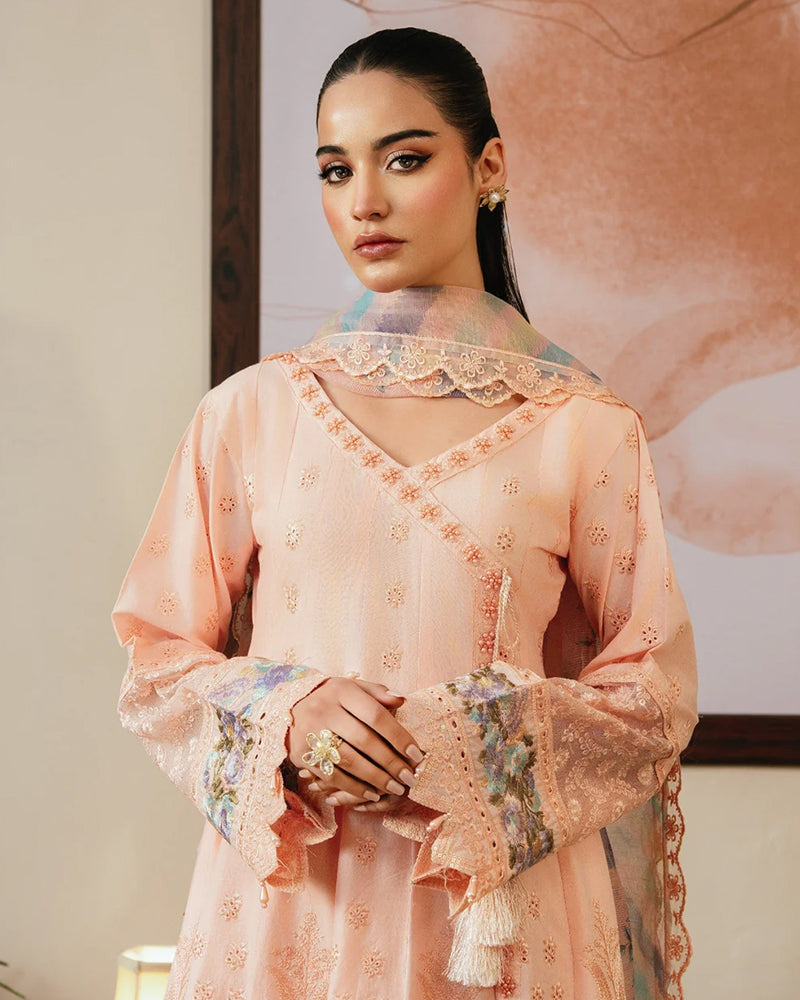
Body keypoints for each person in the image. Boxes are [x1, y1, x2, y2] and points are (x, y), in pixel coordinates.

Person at [112, 26, 698, 1000]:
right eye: (335, 170)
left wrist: (474, 744)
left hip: (501, 922)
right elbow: (155, 660)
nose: (365, 203)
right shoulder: (251, 413)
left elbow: (652, 691)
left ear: (488, 167)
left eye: (405, 159)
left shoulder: (585, 427)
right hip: (293, 908)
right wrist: (286, 713)